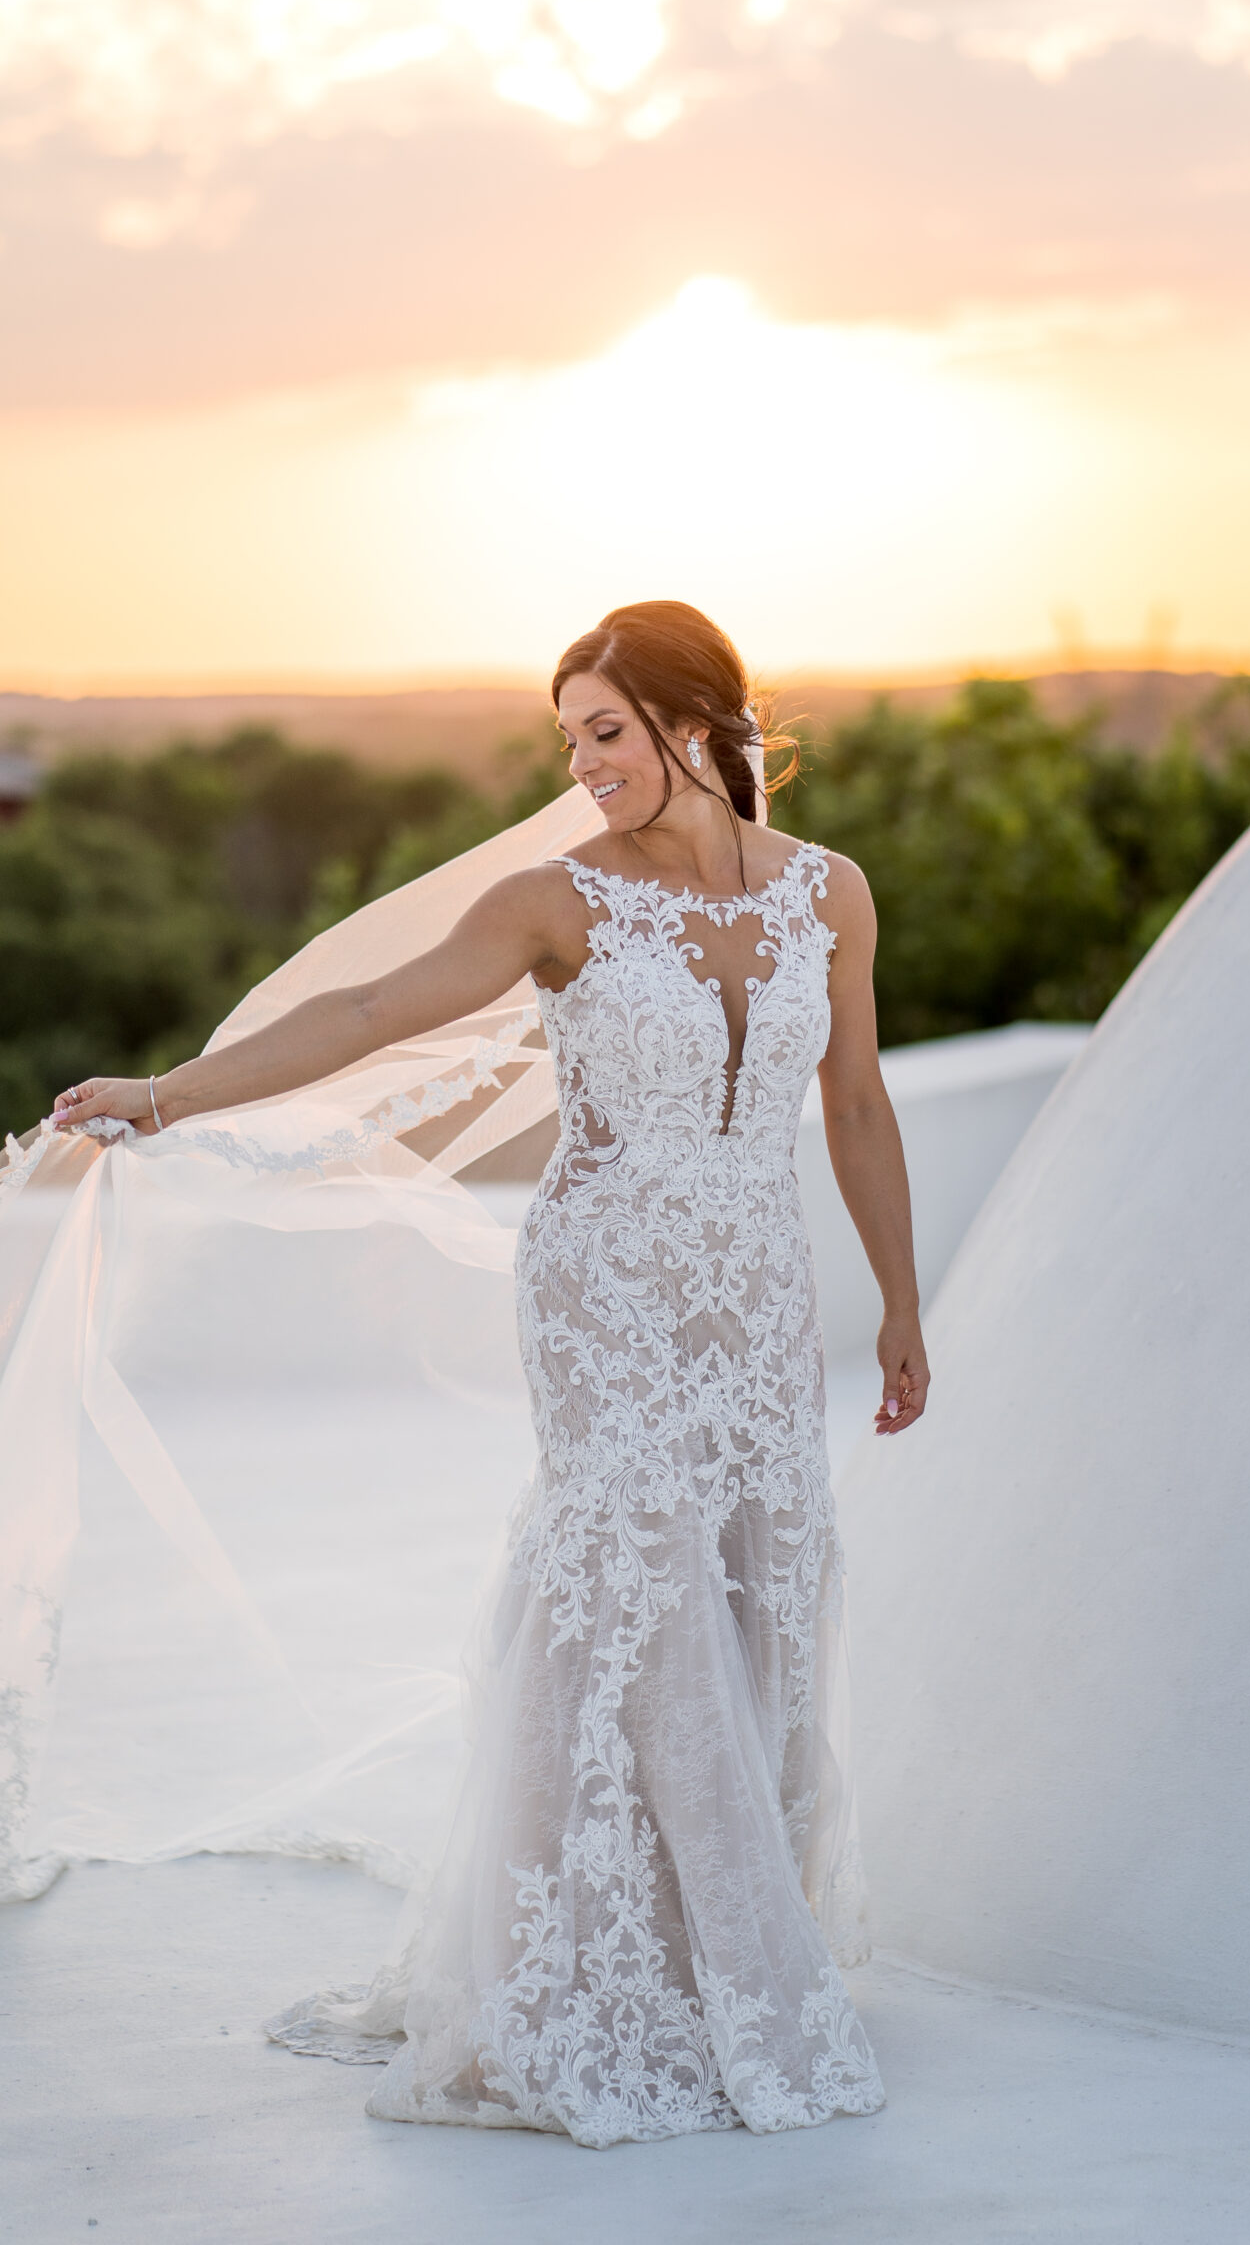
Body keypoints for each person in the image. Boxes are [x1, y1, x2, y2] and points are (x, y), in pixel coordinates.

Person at [48, 599, 928, 2147]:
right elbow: (370, 1010)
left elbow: (855, 1104)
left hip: (757, 1299)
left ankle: (720, 1927)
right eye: (569, 738)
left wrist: (903, 1304)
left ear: (702, 720)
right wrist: (168, 1097)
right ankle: (637, 1969)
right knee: (636, 1583)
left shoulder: (832, 897)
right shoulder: (557, 903)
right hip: (605, 1297)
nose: (585, 767)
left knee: (760, 1578)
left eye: (608, 731)